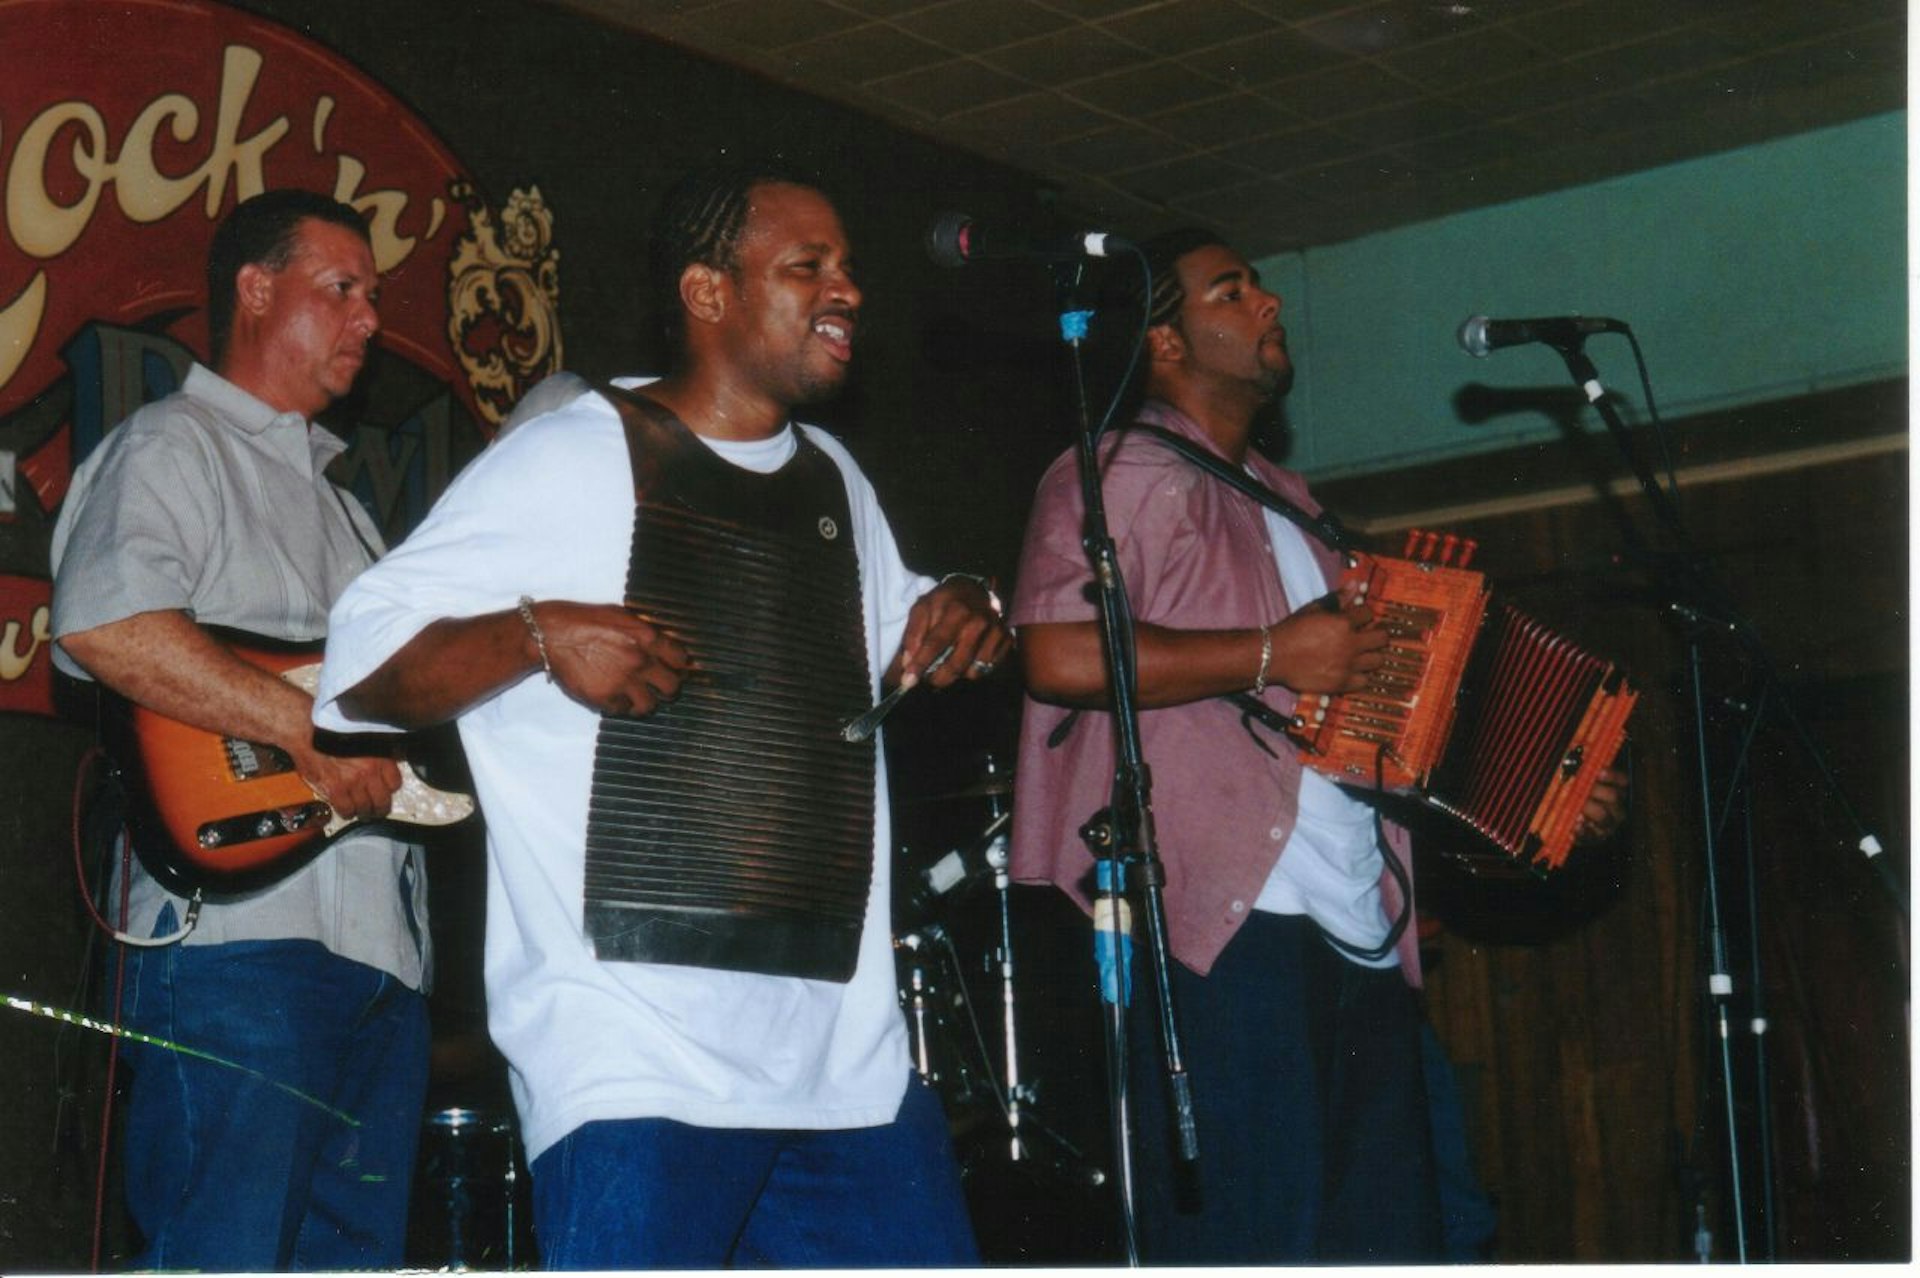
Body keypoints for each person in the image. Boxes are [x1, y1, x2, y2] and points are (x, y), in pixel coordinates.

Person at [312, 163, 1011, 1269]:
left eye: (849, 268)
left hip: (846, 1063)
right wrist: (535, 635)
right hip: (638, 1058)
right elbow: (357, 668)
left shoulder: (833, 480)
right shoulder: (575, 454)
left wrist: (975, 603)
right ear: (709, 292)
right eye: (808, 267)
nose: (849, 292)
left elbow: (907, 634)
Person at [1008, 227, 1626, 1263]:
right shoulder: (1114, 472)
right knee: (1259, 1238)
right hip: (1230, 926)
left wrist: (1542, 799)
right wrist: (1269, 650)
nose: (1270, 304)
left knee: (1418, 1235)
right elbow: (1060, 655)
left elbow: (1386, 725)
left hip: (1360, 931)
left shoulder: (1302, 512)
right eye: (1231, 290)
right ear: (1162, 340)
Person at [49, 190, 430, 1270]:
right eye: (342, 289)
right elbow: (105, 624)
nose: (369, 319)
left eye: (375, 298)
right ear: (255, 292)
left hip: (379, 963)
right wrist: (309, 729)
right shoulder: (174, 445)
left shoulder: (351, 509)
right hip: (233, 944)